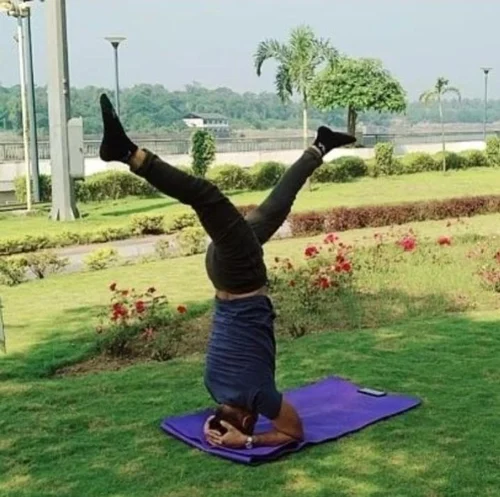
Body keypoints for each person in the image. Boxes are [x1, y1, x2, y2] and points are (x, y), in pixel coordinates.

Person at [98, 94, 356, 449]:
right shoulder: (212, 385)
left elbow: (293, 432)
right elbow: (244, 412)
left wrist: (248, 440)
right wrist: (221, 425)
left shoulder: (260, 397)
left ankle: (129, 154)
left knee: (206, 196)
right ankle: (320, 145)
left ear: (249, 419)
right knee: (275, 209)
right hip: (220, 272)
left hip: (242, 274)